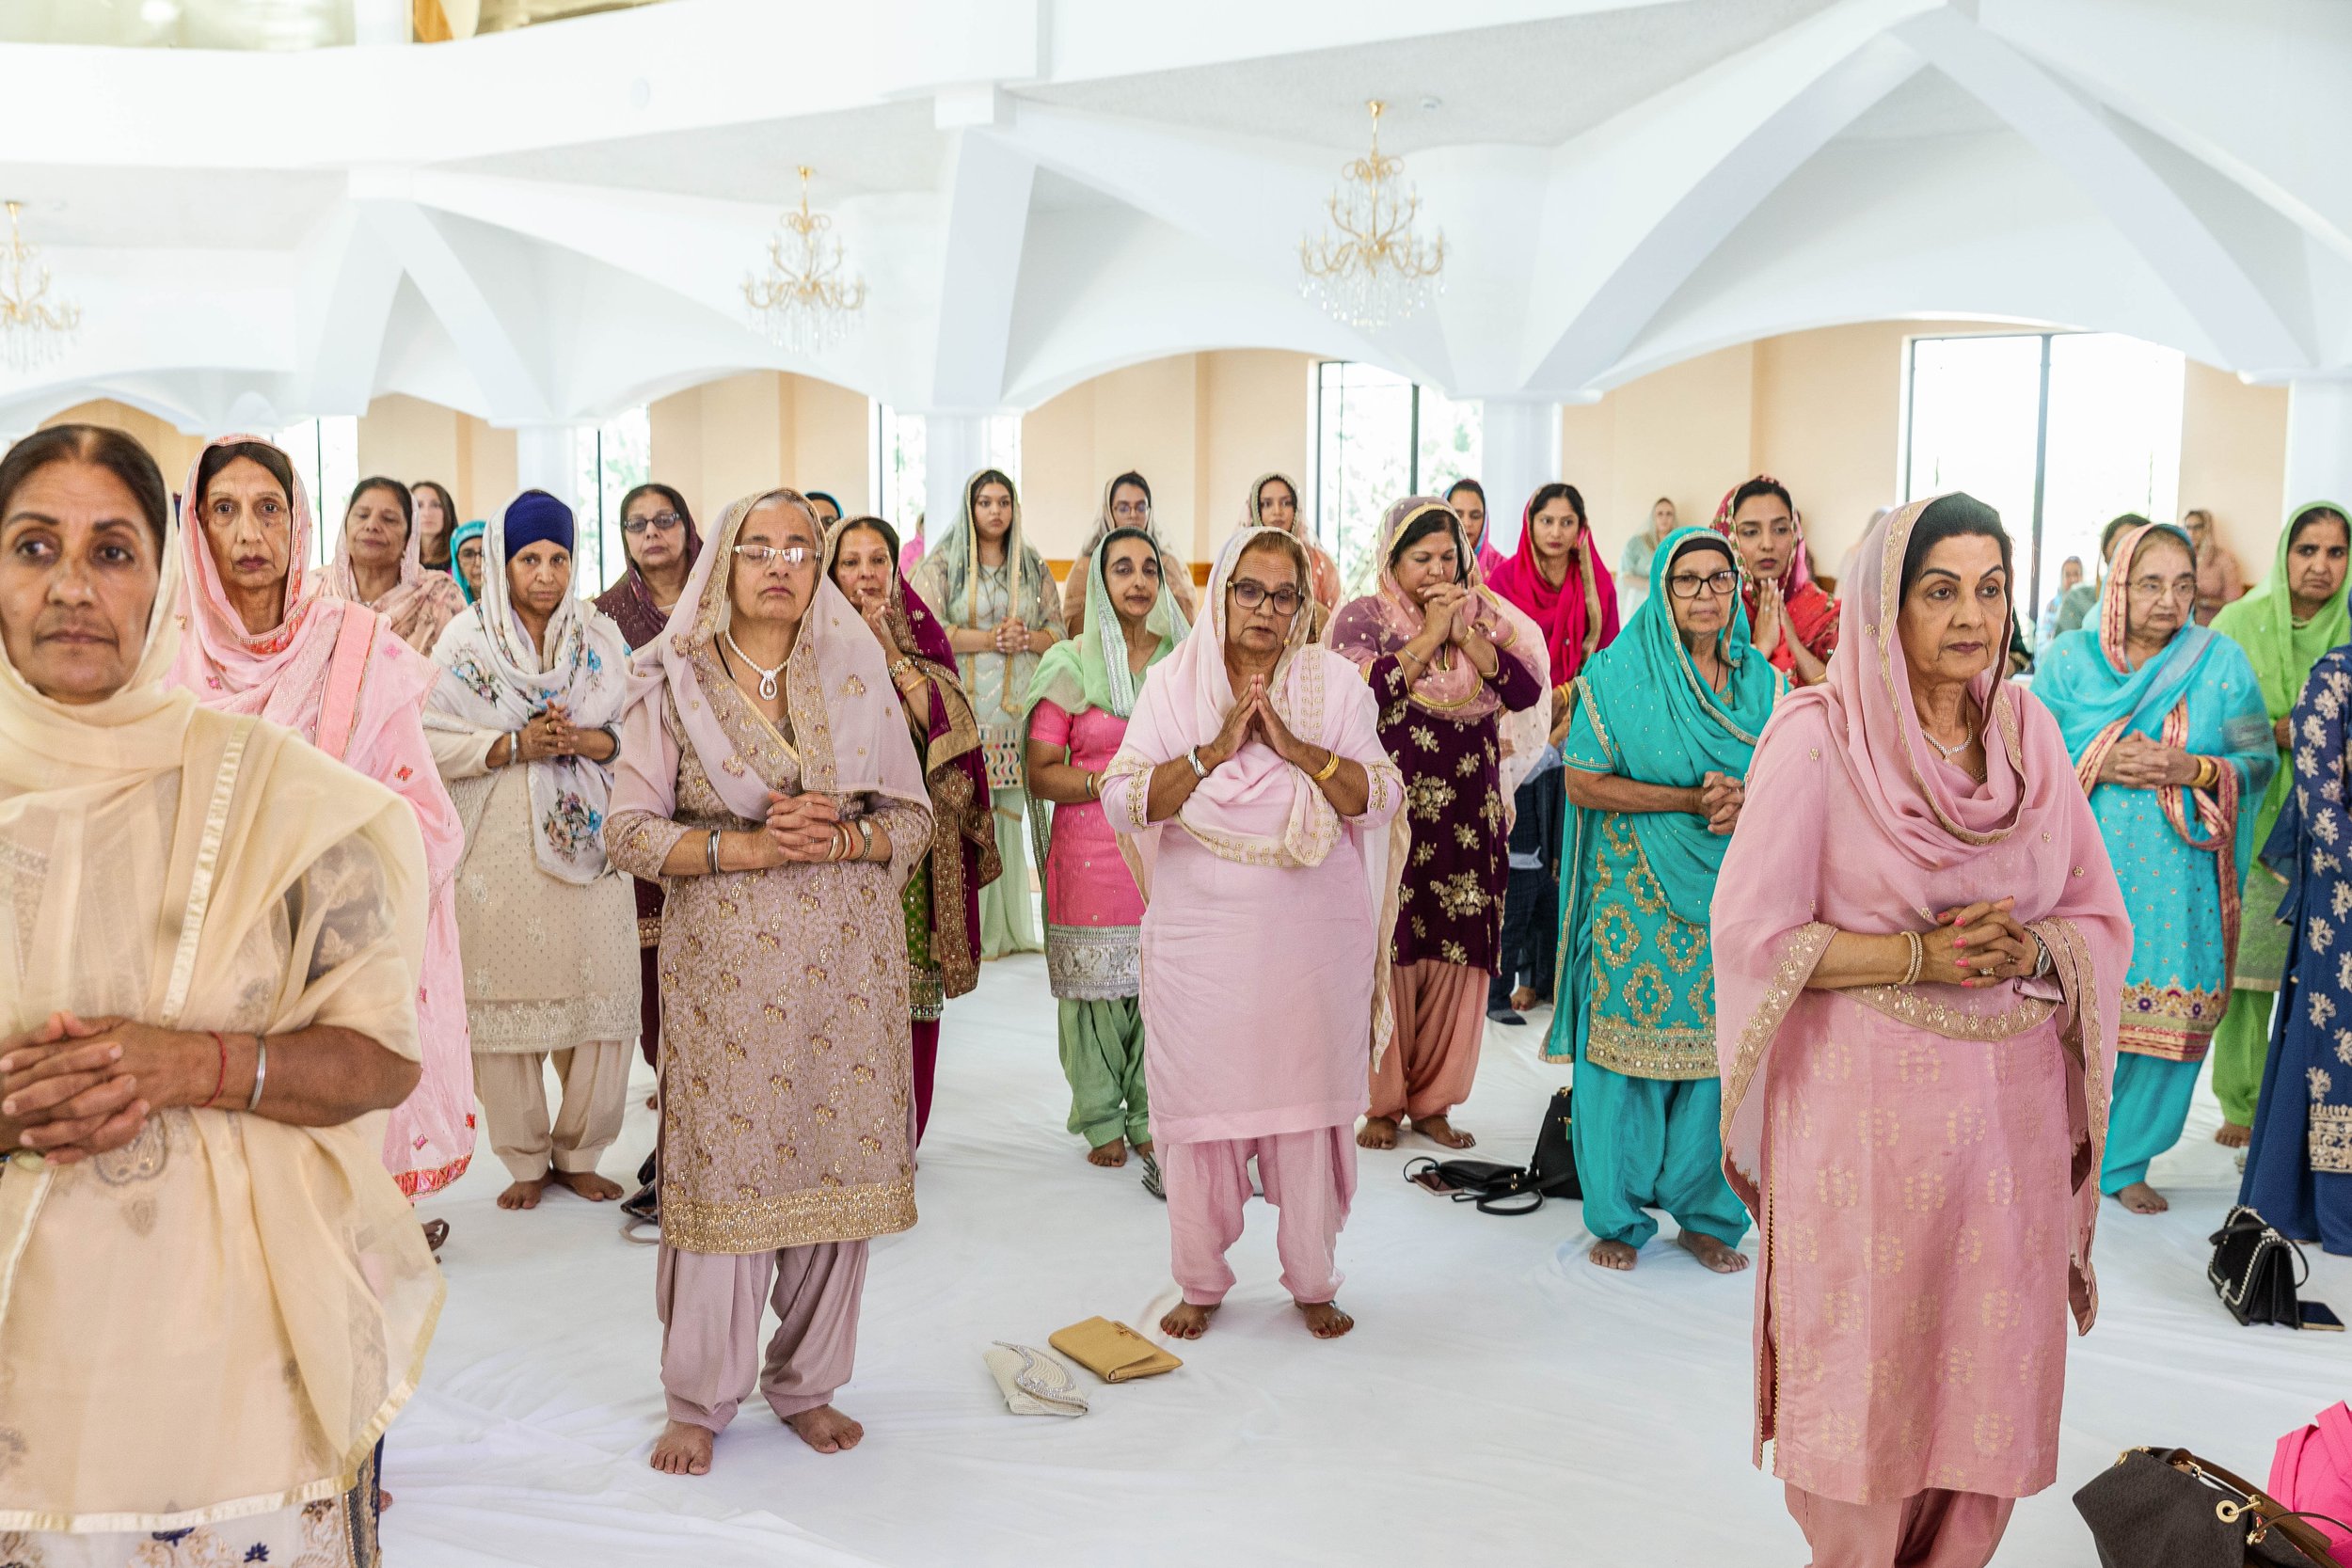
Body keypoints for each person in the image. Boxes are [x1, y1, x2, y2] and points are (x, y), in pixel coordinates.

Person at [0, 423, 439, 1565]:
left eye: (112, 550)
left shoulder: (268, 789)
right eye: (34, 545)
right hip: (23, 1367)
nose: (71, 587)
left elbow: (384, 1051)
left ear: (163, 576)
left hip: (239, 1351)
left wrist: (195, 1063)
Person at [1712, 493, 2129, 1568]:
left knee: (1985, 1383)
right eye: (1938, 590)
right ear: (1879, 608)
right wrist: (1918, 957)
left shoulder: (2029, 731)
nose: (1971, 615)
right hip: (1864, 1131)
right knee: (1866, 1383)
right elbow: (1755, 935)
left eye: (1989, 588)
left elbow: (2091, 908)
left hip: (2008, 1130)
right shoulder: (1819, 738)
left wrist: (2034, 950)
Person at [605, 487, 929, 1477]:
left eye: (802, 545)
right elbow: (625, 831)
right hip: (730, 977)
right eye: (760, 547)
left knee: (838, 1164)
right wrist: (746, 848)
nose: (782, 563)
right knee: (728, 1167)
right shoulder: (668, 681)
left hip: (848, 972)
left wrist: (846, 833)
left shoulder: (856, 670)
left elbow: (912, 821)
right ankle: (698, 1396)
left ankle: (807, 1384)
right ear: (724, 563)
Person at [1101, 526, 1404, 1342]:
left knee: (1306, 1113)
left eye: (1284, 594)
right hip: (1203, 945)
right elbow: (1122, 800)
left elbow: (1380, 795)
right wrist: (1211, 751)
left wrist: (1296, 749)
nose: (1267, 609)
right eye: (1250, 590)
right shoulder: (1174, 686)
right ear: (1222, 592)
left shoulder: (1335, 686)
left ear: (1304, 604)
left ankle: (1312, 1276)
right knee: (1200, 1111)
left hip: (1311, 943)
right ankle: (1200, 1279)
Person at [167, 433, 476, 1211]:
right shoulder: (164, 658)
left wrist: (321, 877)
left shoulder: (352, 645)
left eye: (268, 508)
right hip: (199, 961)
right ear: (196, 527)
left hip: (330, 956)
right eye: (224, 511)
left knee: (326, 1200)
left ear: (299, 521)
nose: (248, 534)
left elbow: (427, 818)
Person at [1554, 525, 1780, 1273]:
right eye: (1689, 580)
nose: (1707, 595)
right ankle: (1616, 1215)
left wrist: (1746, 796)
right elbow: (1582, 778)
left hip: (1730, 889)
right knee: (1622, 1049)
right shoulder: (1620, 671)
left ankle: (1707, 1213)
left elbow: (1791, 780)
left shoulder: (1762, 683)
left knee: (1719, 1053)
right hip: (1635, 893)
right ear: (1663, 589)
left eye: (1721, 579)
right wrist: (1688, 799)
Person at [2036, 521, 2272, 1214]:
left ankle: (2127, 1156)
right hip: (2086, 877)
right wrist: (2097, 760)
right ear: (2117, 585)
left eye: (2182, 585)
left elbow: (2258, 759)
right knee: (2075, 1009)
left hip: (2185, 884)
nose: (2168, 600)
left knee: (2178, 1011)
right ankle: (2059, 1145)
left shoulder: (2221, 661)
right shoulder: (2070, 663)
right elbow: (2024, 754)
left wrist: (2191, 766)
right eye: (2150, 584)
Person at [426, 489, 639, 1211]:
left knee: (601, 995)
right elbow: (426, 736)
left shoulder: (602, 641)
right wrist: (514, 744)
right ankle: (523, 1156)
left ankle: (580, 1150)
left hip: (590, 848)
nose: (544, 573)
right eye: (528, 558)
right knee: (503, 1002)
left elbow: (638, 734)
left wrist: (582, 740)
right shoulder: (464, 645)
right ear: (502, 563)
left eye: (558, 558)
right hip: (498, 853)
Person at [1329, 497, 1545, 1151]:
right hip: (1390, 819)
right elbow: (1360, 692)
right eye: (1420, 557)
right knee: (1386, 945)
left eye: (1448, 556)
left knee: (1461, 950)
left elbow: (1527, 691)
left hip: (1470, 818)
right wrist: (1428, 637)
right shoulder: (1361, 618)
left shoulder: (1488, 617)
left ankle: (1433, 1101)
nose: (1435, 570)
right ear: (1391, 561)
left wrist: (1466, 636)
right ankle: (1379, 1101)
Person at [825, 512, 998, 1143]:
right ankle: (841, 1133)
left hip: (909, 850)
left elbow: (949, 729)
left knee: (909, 994)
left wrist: (891, 654)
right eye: (850, 561)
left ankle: (901, 1135)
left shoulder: (921, 634)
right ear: (830, 570)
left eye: (877, 560)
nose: (865, 574)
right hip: (829, 843)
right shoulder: (805, 639)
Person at [1023, 526, 1187, 1174]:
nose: (1139, 580)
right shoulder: (1068, 663)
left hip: (1164, 845)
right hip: (1090, 847)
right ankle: (1099, 1113)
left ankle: (1149, 1113)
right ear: (1099, 581)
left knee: (1158, 986)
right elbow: (1040, 769)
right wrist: (1109, 783)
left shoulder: (1182, 664)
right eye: (1123, 568)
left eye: (1150, 567)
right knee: (1093, 992)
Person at [2210, 502, 2352, 1146]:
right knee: (2247, 975)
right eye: (2307, 550)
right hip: (2254, 821)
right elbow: (2221, 717)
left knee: (2327, 976)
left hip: (2337, 829)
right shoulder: (2240, 621)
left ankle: (2313, 1107)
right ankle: (2240, 1102)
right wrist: (2282, 733)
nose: (2320, 565)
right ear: (2284, 555)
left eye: (2335, 552)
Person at [911, 468, 1066, 958]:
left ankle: (1013, 928)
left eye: (1004, 502)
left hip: (1016, 708)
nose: (995, 511)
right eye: (986, 502)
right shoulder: (946, 563)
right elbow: (924, 626)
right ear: (970, 508)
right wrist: (988, 640)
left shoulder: (1032, 564)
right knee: (974, 814)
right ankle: (977, 932)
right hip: (969, 711)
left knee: (1011, 814)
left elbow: (1059, 632)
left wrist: (1028, 640)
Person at [1486, 482, 1621, 1025]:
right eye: (1547, 521)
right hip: (1520, 732)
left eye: (1568, 522)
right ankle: (1507, 977)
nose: (1557, 532)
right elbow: (1493, 655)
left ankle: (1546, 980)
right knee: (1521, 860)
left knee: (1566, 861)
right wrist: (1540, 717)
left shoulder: (1597, 583)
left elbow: (1608, 652)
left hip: (1578, 727)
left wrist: (1571, 711)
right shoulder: (1505, 581)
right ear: (1530, 523)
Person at [2241, 636, 2352, 1255]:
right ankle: (2333, 1200)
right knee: (2335, 1035)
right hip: (2344, 898)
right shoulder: (2336, 677)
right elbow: (2318, 796)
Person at [594, 481, 705, 1075]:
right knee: (651, 948)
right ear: (625, 540)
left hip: (722, 790)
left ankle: (719, 1070)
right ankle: (669, 1072)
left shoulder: (723, 596)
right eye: (638, 525)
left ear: (688, 526)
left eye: (665, 519)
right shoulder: (605, 615)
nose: (653, 533)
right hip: (642, 790)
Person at [322, 474, 469, 655]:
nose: (372, 525)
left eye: (389, 519)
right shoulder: (312, 591)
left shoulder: (440, 597)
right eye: (362, 515)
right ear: (345, 525)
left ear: (410, 535)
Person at [1715, 476, 1836, 687]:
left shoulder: (1826, 615)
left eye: (1780, 530)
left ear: (1795, 534)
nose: (1767, 544)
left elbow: (1845, 699)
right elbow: (1709, 704)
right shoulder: (1712, 611)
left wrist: (1791, 641)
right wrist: (1763, 647)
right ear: (1728, 537)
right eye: (1751, 532)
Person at [1063, 471, 1198, 633]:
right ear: (1109, 511)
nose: (1133, 515)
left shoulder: (1167, 564)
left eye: (1141, 507)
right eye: (1123, 508)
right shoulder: (1087, 566)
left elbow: (1185, 624)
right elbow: (1075, 630)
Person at [1244, 470, 1343, 625]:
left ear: (1296, 509)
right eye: (1267, 504)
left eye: (1285, 503)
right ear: (1256, 510)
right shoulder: (1241, 559)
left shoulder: (1319, 562)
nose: (1277, 511)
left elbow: (1336, 622)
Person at [2053, 514, 2140, 638]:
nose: (2129, 554)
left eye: (2138, 547)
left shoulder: (2163, 605)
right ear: (2105, 554)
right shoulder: (2079, 600)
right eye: (2120, 546)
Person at [2186, 507, 2247, 625]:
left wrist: (2203, 602)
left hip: (2215, 624)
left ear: (2207, 529)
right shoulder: (2183, 558)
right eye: (2188, 527)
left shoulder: (2224, 560)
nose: (2192, 533)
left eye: (2197, 527)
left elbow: (2235, 603)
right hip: (2183, 625)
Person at [1616, 495, 1677, 605]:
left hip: (1669, 602)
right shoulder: (1636, 544)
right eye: (1660, 514)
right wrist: (1649, 585)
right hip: (1639, 602)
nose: (1664, 518)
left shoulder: (1678, 544)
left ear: (1674, 518)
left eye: (1669, 514)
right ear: (1653, 517)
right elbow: (1625, 577)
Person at [1447, 477, 1506, 579]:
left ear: (1485, 520)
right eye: (1457, 514)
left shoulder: (1502, 570)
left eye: (1475, 516)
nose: (1467, 523)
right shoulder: (1431, 566)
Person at [2035, 554, 2083, 650]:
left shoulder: (2089, 607)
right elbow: (2042, 644)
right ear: (2062, 578)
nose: (2073, 579)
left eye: (2076, 574)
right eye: (2068, 575)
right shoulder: (2052, 606)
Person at [413, 478, 459, 572]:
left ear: (448, 511)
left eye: (435, 505)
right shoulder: (396, 559)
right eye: (418, 505)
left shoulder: (462, 556)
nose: (427, 513)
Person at [451, 516, 487, 604]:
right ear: (458, 564)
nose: (479, 563)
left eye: (485, 553)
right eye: (468, 554)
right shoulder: (449, 605)